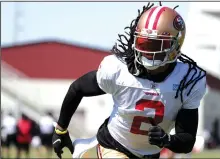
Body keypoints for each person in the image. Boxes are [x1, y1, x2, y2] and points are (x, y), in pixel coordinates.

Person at [52, 2, 207, 159]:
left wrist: (167, 140)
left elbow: (187, 141)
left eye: (157, 45)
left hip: (150, 154)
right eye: (144, 43)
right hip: (114, 145)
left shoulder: (187, 81)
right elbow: (77, 88)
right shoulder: (119, 70)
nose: (149, 52)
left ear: (176, 45)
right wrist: (60, 130)